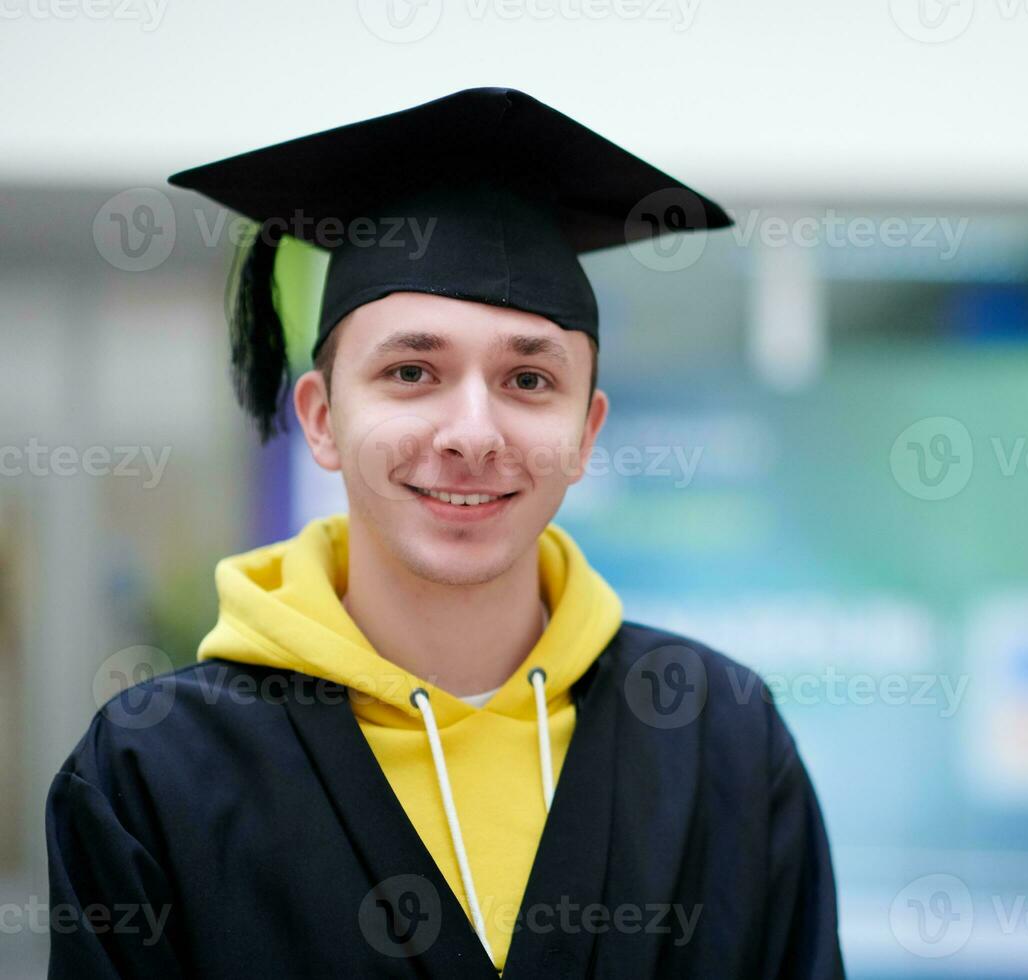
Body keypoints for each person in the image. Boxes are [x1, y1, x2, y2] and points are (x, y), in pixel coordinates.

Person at [45, 87, 845, 979]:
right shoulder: (156, 768)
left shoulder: (718, 742)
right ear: (319, 418)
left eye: (529, 381)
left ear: (586, 432)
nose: (473, 433)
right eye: (413, 370)